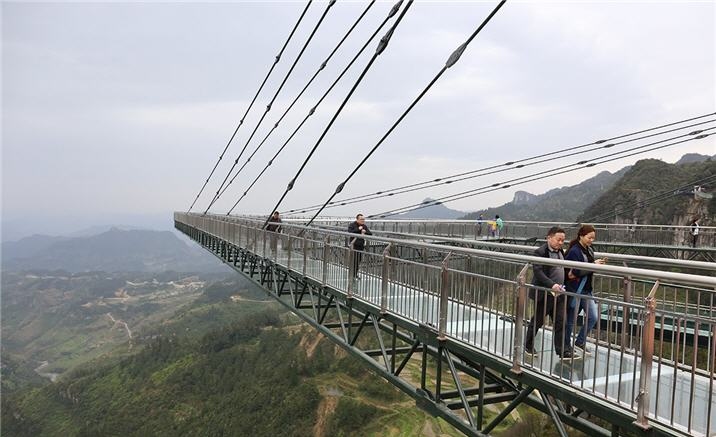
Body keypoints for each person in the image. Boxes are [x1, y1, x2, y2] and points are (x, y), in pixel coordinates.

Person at [524, 226, 572, 358]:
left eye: (563, 240)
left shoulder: (561, 251)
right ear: (549, 238)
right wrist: (552, 285)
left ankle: (562, 351)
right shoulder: (540, 252)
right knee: (538, 321)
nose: (561, 243)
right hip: (544, 293)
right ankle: (528, 346)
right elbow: (538, 272)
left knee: (561, 321)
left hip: (559, 293)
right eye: (558, 240)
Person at [564, 224, 607, 356]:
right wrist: (593, 265)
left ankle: (579, 341)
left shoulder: (589, 249)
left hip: (586, 289)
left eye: (593, 238)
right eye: (589, 237)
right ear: (581, 236)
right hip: (575, 289)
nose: (591, 240)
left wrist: (595, 264)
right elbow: (572, 272)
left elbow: (585, 267)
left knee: (593, 317)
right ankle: (566, 347)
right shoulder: (574, 251)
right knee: (571, 320)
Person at [347, 214, 372, 279]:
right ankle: (352, 274)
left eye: (363, 219)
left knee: (358, 261)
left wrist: (365, 232)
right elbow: (350, 232)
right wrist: (358, 229)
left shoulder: (364, 226)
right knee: (353, 261)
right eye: (361, 219)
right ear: (357, 219)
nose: (363, 220)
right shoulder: (352, 225)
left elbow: (370, 234)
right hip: (353, 245)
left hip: (361, 245)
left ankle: (355, 274)